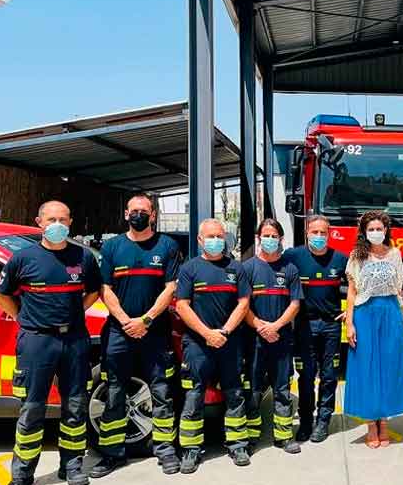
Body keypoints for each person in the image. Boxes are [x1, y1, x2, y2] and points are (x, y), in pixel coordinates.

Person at [0, 200, 102, 485]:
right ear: (39, 222)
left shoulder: (83, 257)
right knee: (32, 407)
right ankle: (23, 472)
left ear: (70, 223)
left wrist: (76, 310)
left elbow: (93, 291)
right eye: (51, 219)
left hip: (75, 340)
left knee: (76, 405)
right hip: (37, 341)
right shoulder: (23, 259)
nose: (57, 224)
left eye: (63, 219)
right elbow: (0, 296)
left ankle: (73, 467)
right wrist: (24, 318)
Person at [90, 194, 182, 478]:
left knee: (162, 392)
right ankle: (111, 454)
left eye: (144, 210)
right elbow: (104, 289)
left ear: (152, 214)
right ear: (126, 213)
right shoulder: (113, 246)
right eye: (134, 210)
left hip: (156, 332)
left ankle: (165, 450)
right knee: (115, 393)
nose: (139, 214)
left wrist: (146, 319)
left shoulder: (167, 245)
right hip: (119, 332)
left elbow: (171, 287)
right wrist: (126, 321)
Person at [175, 218, 251, 474]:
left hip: (230, 342)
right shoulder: (189, 269)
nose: (216, 241)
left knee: (234, 393)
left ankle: (238, 444)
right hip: (198, 343)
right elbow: (182, 305)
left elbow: (243, 303)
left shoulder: (236, 268)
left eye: (220, 236)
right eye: (211, 236)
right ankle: (191, 450)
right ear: (199, 240)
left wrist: (225, 331)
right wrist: (207, 333)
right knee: (194, 395)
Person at [343, 210, 403, 449]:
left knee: (389, 366)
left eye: (379, 229)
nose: (375, 233)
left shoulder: (394, 254)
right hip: (365, 313)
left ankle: (384, 420)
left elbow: (399, 288)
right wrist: (350, 323)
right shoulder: (357, 256)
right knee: (366, 366)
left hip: (390, 311)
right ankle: (371, 423)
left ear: (386, 230)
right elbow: (352, 291)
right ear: (364, 232)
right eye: (371, 229)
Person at [283, 214, 348, 443]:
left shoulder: (340, 259)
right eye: (315, 232)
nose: (319, 237)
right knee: (306, 375)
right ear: (307, 233)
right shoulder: (293, 256)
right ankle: (306, 421)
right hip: (303, 325)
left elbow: (357, 286)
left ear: (328, 234)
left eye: (323, 233)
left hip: (331, 326)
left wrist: (350, 310)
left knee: (329, 376)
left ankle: (323, 421)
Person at [243, 219, 303, 454]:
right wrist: (260, 326)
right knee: (254, 389)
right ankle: (251, 437)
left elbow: (295, 303)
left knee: (282, 389)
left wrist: (276, 327)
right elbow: (242, 305)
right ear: (259, 238)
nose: (269, 240)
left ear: (281, 239)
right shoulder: (247, 268)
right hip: (254, 340)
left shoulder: (289, 269)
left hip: (281, 339)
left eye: (273, 235)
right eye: (265, 235)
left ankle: (283, 436)